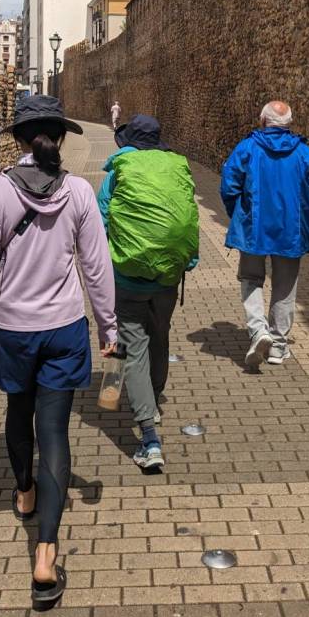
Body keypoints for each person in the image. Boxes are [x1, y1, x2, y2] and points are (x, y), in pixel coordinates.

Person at [0, 95, 116, 606]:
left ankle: (24, 492)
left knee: (17, 410)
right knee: (54, 432)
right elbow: (96, 266)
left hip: (11, 328)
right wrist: (108, 326)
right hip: (64, 327)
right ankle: (45, 555)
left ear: (18, 141)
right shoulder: (78, 192)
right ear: (61, 138)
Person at [98, 115, 199, 470]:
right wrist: (188, 259)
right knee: (160, 336)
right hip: (169, 274)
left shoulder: (119, 169)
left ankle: (149, 438)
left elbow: (102, 218)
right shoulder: (176, 166)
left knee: (134, 349)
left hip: (128, 276)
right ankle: (153, 400)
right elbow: (188, 214)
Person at [220, 100, 309, 367]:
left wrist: (239, 217)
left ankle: (259, 331)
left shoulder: (247, 148)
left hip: (253, 230)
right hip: (291, 232)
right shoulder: (303, 153)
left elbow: (229, 185)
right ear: (289, 123)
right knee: (284, 286)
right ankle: (278, 346)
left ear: (263, 121)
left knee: (250, 279)